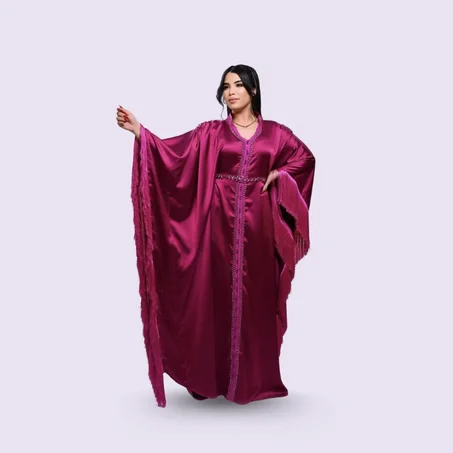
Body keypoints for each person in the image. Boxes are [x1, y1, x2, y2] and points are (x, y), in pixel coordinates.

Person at [116, 64, 316, 408]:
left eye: (238, 85)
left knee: (257, 301)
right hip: (216, 227)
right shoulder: (210, 133)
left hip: (259, 229)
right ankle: (206, 378)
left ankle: (252, 380)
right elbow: (174, 155)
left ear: (253, 90)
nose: (231, 92)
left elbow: (306, 159)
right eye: (226, 87)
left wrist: (280, 175)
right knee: (211, 299)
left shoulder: (276, 134)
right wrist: (141, 133)